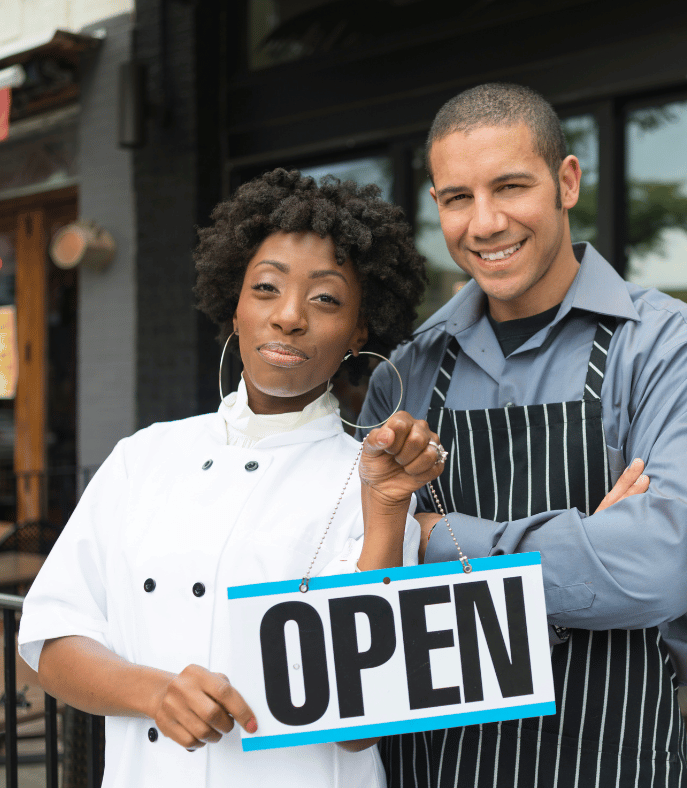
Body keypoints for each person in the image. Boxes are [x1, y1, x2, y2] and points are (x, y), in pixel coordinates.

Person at [358, 84, 687, 788]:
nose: (485, 222)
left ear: (567, 182)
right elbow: (360, 585)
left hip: (610, 749)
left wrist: (428, 539)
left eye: (511, 186)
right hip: (433, 760)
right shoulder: (405, 373)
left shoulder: (676, 349)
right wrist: (588, 543)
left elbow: (656, 568)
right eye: (456, 198)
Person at [19, 169, 442, 788]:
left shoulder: (376, 478)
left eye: (325, 298)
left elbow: (362, 729)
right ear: (235, 305)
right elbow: (54, 640)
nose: (290, 316)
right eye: (266, 288)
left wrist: (385, 511)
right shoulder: (145, 457)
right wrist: (154, 692)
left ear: (360, 330)